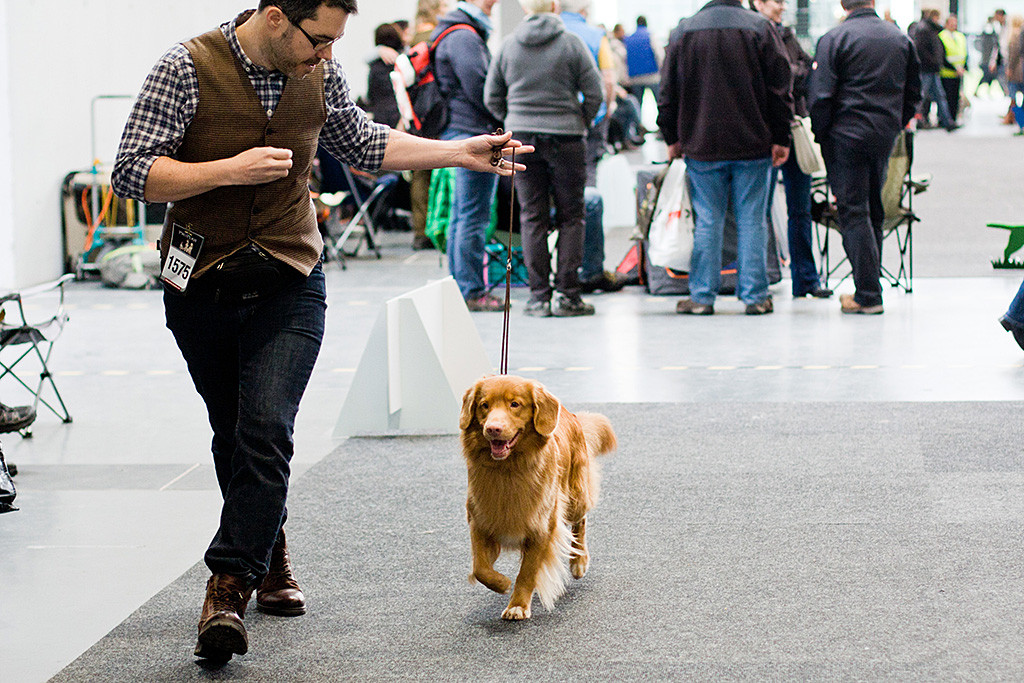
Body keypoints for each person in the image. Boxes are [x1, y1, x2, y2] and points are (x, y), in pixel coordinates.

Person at [111, 0, 530, 663]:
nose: (328, 55)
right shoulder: (185, 67)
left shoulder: (317, 69)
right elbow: (132, 170)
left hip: (290, 276)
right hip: (201, 283)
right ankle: (269, 549)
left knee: (266, 425)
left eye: (335, 41)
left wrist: (460, 153)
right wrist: (228, 169)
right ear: (276, 17)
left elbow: (364, 143)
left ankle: (228, 587)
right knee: (233, 430)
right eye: (320, 40)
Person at [657, 0, 793, 316]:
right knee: (752, 220)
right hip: (753, 143)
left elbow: (668, 91)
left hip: (701, 144)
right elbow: (779, 89)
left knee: (707, 220)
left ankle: (702, 297)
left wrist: (671, 137)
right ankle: (756, 296)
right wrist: (781, 137)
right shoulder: (760, 28)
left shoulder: (684, 29)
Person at [485, 0, 602, 317]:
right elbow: (595, 92)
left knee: (531, 217)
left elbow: (491, 96)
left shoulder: (508, 45)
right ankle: (568, 296)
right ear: (553, 6)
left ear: (525, 9)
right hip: (567, 139)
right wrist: (581, 121)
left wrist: (514, 120)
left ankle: (538, 298)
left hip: (522, 140)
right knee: (571, 216)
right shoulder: (572, 44)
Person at [808, 0, 920, 315]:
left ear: (844, 3)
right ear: (873, 2)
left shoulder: (834, 39)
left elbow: (820, 96)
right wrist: (894, 123)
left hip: (845, 137)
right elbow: (914, 93)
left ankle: (868, 294)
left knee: (853, 212)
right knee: (873, 212)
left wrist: (823, 134)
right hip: (883, 136)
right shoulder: (899, 39)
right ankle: (867, 287)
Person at [751, 0, 832, 300]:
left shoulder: (786, 35)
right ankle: (758, 283)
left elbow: (809, 71)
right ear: (758, 3)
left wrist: (788, 76)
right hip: (764, 134)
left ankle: (806, 280)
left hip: (794, 130)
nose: (783, 6)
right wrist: (790, 75)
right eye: (777, 1)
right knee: (757, 214)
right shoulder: (752, 33)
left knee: (800, 209)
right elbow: (770, 79)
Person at [431, 0, 506, 311]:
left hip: (459, 129)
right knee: (473, 217)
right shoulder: (464, 36)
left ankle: (460, 287)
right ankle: (472, 290)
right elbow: (480, 88)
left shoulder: (454, 30)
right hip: (471, 132)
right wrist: (501, 118)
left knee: (463, 216)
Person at [560, 0, 625, 293]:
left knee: (546, 203)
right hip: (583, 127)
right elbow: (607, 81)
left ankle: (554, 277)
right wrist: (597, 115)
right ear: (584, 10)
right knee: (587, 195)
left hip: (541, 131)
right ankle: (588, 270)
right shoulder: (594, 36)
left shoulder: (539, 32)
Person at [408, 0, 451, 250]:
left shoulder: (413, 36)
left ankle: (419, 230)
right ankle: (437, 228)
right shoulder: (434, 36)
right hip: (435, 110)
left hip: (417, 110)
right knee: (437, 168)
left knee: (419, 171)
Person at [911, 9, 958, 132]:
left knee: (938, 96)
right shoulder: (924, 29)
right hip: (927, 68)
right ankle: (917, 120)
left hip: (932, 69)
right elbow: (921, 49)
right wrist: (933, 61)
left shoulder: (932, 29)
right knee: (922, 96)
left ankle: (947, 121)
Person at [622, 16, 663, 118]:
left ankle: (638, 128)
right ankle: (662, 127)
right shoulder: (651, 36)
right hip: (651, 75)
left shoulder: (628, 39)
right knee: (660, 102)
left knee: (637, 105)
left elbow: (624, 58)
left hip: (635, 77)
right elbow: (659, 54)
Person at [365, 23, 404, 128]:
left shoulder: (374, 66)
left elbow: (371, 94)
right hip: (400, 113)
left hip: (381, 117)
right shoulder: (403, 61)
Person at [938, 15, 967, 126]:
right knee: (946, 97)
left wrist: (963, 68)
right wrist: (954, 68)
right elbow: (942, 56)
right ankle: (945, 119)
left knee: (956, 98)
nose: (954, 25)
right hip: (947, 72)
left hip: (959, 73)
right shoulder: (942, 36)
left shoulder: (960, 36)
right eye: (951, 23)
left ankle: (953, 119)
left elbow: (964, 53)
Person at [975, 10, 1006, 98]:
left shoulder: (1000, 29)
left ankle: (1005, 92)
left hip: (992, 59)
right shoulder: (989, 30)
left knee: (992, 76)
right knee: (989, 76)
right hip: (987, 59)